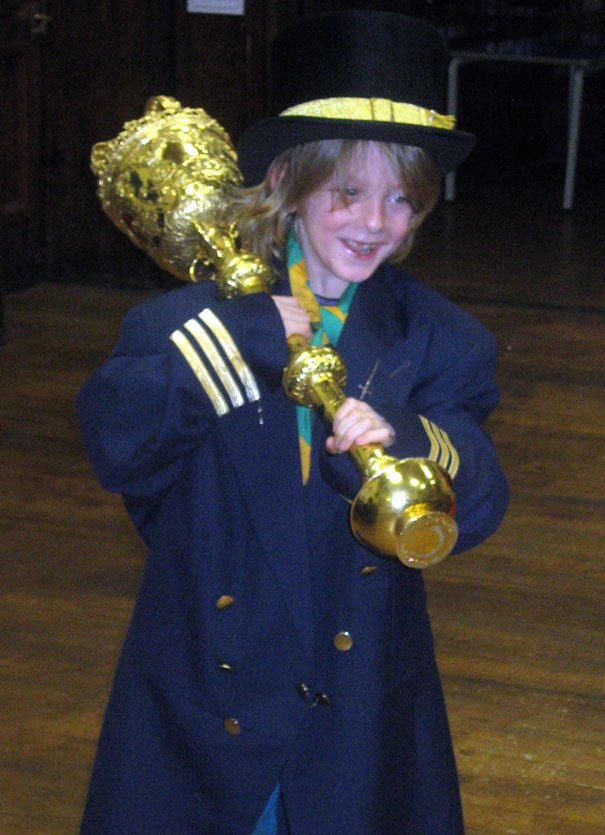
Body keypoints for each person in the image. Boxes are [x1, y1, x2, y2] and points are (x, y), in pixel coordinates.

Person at [77, 10, 508, 834]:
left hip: (356, 711)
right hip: (203, 691)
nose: (374, 223)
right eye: (346, 192)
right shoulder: (194, 323)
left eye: (401, 201)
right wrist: (234, 343)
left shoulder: (440, 338)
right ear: (285, 182)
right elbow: (116, 445)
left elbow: (479, 502)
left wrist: (398, 440)